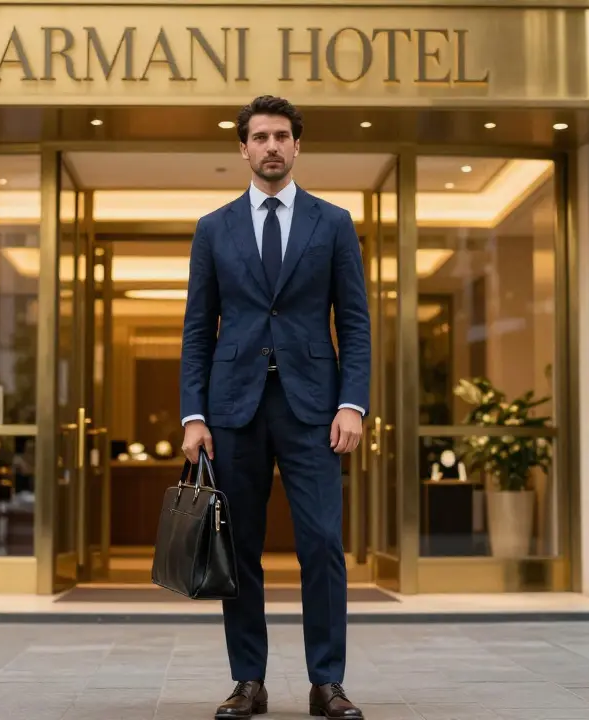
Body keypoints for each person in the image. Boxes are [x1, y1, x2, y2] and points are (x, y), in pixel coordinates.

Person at [179, 95, 371, 720]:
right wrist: (193, 415)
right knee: (241, 550)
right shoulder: (213, 228)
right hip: (233, 410)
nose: (271, 146)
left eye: (282, 136)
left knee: (321, 543)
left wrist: (353, 403)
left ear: (297, 146)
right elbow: (197, 329)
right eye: (259, 136)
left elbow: (357, 325)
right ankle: (248, 681)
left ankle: (327, 682)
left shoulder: (334, 223)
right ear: (242, 148)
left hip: (314, 409)